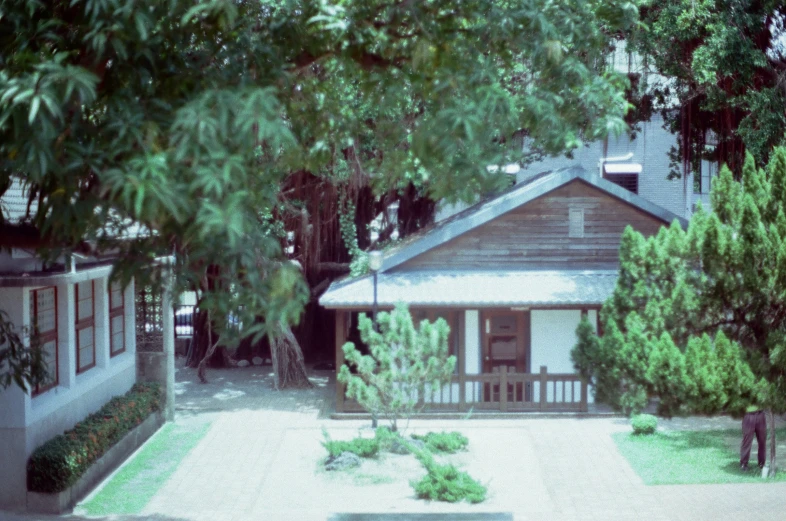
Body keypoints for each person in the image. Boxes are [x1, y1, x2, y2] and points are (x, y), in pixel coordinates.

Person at [740, 403, 766, 471]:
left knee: (762, 441)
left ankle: (762, 463)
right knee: (747, 442)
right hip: (748, 415)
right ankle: (744, 463)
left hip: (761, 414)